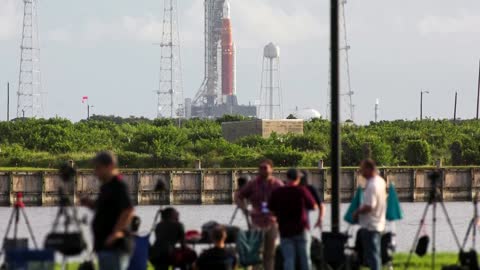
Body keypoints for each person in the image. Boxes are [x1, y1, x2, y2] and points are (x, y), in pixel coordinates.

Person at [81, 151, 135, 270]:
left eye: (98, 168)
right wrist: (91, 204)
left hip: (115, 247)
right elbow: (106, 209)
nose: (96, 172)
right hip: (104, 246)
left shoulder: (119, 186)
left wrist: (115, 233)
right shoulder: (106, 187)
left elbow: (128, 210)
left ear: (110, 166)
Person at [269, 168, 322, 270]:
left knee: (289, 259)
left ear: (287, 177)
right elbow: (314, 206)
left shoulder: (278, 192)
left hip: (285, 230)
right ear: (298, 178)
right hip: (301, 229)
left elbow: (271, 209)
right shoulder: (302, 191)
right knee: (305, 259)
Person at [235, 159, 284, 270]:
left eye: (265, 168)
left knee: (270, 253)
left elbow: (286, 199)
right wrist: (244, 209)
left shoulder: (277, 184)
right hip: (257, 222)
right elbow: (238, 196)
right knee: (256, 252)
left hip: (272, 222)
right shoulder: (253, 184)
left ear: (271, 169)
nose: (262, 170)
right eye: (260, 168)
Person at [353, 159, 387, 270]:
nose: (361, 171)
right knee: (375, 254)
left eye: (362, 169)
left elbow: (369, 206)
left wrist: (357, 212)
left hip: (370, 225)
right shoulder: (381, 181)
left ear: (369, 169)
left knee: (372, 256)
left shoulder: (372, 185)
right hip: (379, 223)